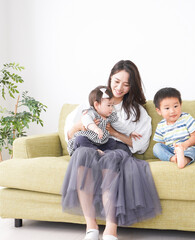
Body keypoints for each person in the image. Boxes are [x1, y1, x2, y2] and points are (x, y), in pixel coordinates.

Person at [61, 60, 161, 240]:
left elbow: (140, 145)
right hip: (92, 143)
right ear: (110, 79)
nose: (119, 88)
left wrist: (113, 132)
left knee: (111, 158)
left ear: (132, 86)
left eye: (126, 84)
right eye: (116, 81)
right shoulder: (94, 101)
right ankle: (91, 227)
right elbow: (70, 132)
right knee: (83, 153)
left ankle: (110, 229)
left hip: (117, 149)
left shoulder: (137, 111)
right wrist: (84, 125)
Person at [67, 85, 139, 156]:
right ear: (96, 105)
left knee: (112, 142)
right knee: (80, 139)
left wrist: (130, 132)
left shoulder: (110, 116)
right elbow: (86, 120)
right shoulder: (91, 113)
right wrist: (95, 128)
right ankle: (95, 150)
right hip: (88, 140)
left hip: (101, 142)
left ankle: (103, 154)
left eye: (112, 105)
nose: (111, 108)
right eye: (108, 105)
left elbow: (119, 126)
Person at [152, 87, 195, 168]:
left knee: (194, 151)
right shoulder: (160, 126)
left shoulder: (186, 118)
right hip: (173, 151)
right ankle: (173, 158)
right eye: (167, 108)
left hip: (189, 147)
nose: (172, 111)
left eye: (175, 106)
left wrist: (184, 145)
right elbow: (161, 144)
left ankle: (184, 160)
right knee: (156, 147)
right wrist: (164, 154)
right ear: (159, 111)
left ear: (180, 104)